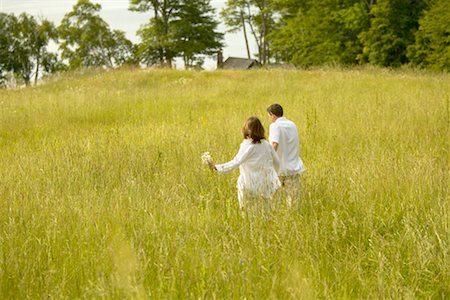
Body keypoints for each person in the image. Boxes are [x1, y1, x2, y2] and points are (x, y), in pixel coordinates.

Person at [208, 116, 281, 210]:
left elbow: (236, 162)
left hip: (248, 185)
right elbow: (277, 162)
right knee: (264, 212)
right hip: (264, 185)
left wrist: (216, 167)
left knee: (246, 211)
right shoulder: (267, 145)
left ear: (247, 130)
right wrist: (273, 175)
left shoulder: (248, 146)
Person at [266, 103, 305, 209]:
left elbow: (274, 144)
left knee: (274, 202)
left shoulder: (275, 126)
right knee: (293, 204)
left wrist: (267, 160)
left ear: (272, 115)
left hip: (279, 170)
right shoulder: (292, 125)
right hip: (294, 168)